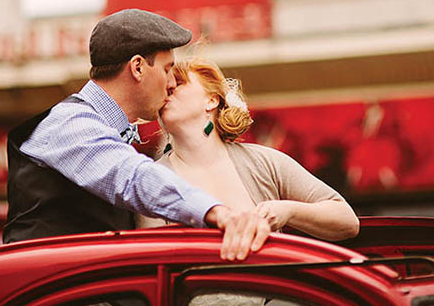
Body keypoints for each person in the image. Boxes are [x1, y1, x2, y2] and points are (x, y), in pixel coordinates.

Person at [3, 10, 270, 260]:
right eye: (167, 70)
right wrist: (218, 213)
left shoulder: (107, 128)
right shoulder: (70, 124)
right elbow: (131, 176)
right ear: (138, 68)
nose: (172, 83)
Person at [137, 58, 360, 241]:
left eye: (178, 83)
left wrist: (287, 211)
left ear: (211, 101)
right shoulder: (151, 179)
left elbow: (347, 221)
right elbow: (152, 261)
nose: (168, 90)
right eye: (165, 88)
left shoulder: (265, 162)